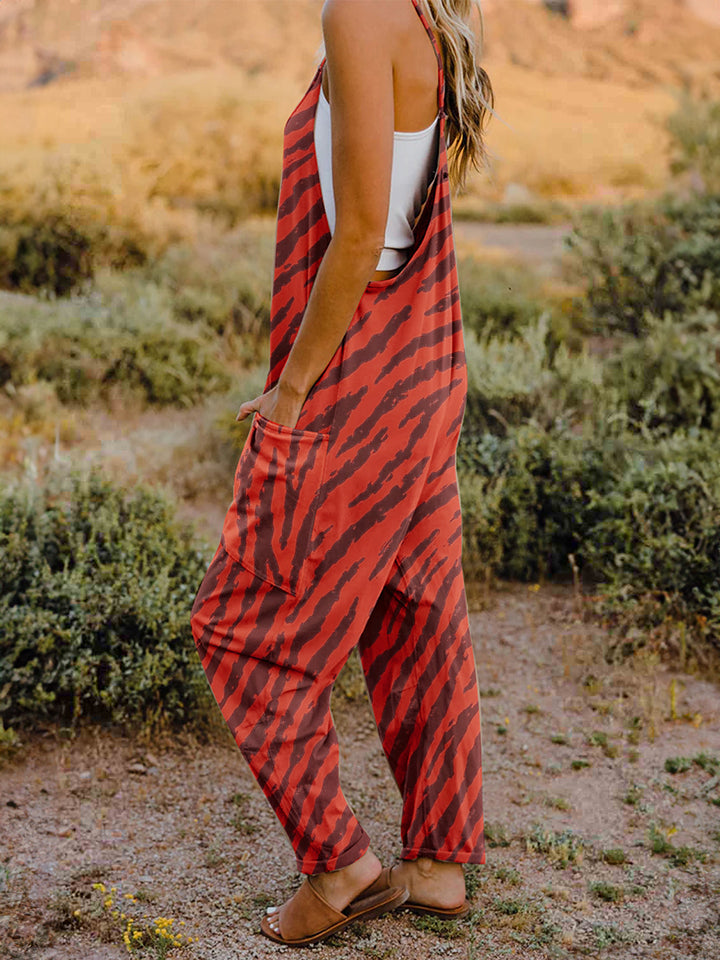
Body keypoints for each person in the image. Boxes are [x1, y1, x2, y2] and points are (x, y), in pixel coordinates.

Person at [190, 0, 495, 947]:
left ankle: (340, 866)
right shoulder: (428, 10)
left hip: (359, 382)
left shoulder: (358, 11)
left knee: (241, 631)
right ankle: (439, 866)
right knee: (418, 617)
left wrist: (290, 394)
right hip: (423, 363)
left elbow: (362, 232)